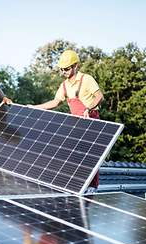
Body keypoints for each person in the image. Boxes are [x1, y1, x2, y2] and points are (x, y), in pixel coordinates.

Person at [31, 50, 104, 193]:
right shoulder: (64, 85)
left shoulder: (86, 79)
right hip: (76, 123)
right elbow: (55, 102)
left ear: (76, 66)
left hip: (91, 120)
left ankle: (92, 187)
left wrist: (88, 108)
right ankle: (77, 184)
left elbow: (99, 96)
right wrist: (35, 107)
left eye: (66, 68)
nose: (64, 71)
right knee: (73, 154)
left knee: (90, 155)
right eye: (61, 69)